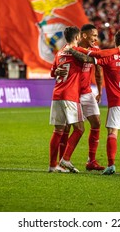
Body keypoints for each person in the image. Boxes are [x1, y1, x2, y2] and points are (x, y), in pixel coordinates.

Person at [67, 31, 120, 175]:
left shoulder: (110, 59)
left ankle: (111, 165)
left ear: (114, 43)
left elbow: (89, 59)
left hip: (117, 101)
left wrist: (72, 49)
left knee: (113, 133)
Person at [53, 24, 105, 171]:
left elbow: (98, 72)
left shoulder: (95, 50)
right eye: (93, 36)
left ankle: (91, 161)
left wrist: (100, 91)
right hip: (72, 93)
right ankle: (62, 161)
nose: (96, 39)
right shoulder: (71, 49)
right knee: (67, 127)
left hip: (87, 92)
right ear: (83, 36)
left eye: (96, 36)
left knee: (96, 123)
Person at [48, 26, 85, 173]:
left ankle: (52, 165)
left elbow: (52, 72)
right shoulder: (77, 51)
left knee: (58, 130)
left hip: (57, 94)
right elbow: (92, 58)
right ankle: (66, 158)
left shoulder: (60, 52)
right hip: (70, 95)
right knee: (80, 128)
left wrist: (56, 71)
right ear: (77, 38)